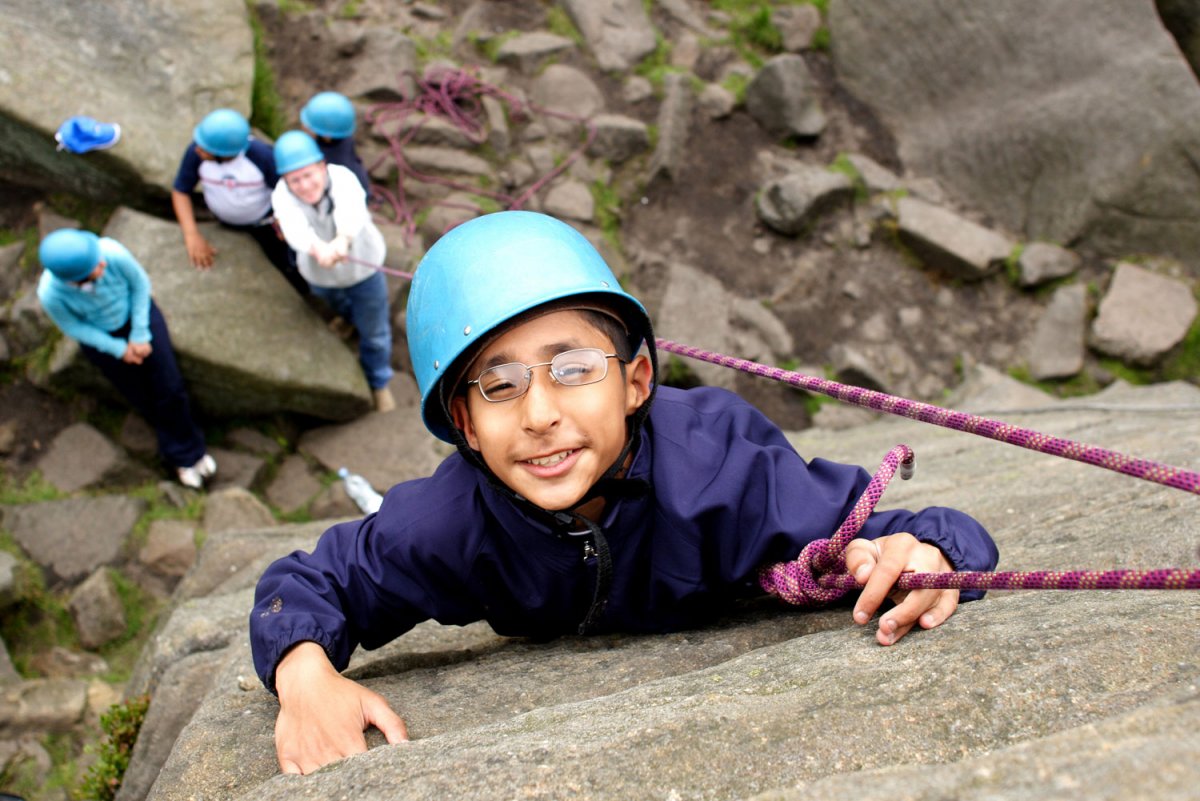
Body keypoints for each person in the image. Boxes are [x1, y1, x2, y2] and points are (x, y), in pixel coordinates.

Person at [249, 211, 999, 775]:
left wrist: (929, 551)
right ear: (466, 425)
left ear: (636, 380)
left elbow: (888, 531)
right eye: (499, 384)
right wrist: (304, 675)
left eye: (573, 366)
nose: (541, 413)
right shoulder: (452, 524)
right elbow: (311, 582)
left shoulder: (720, 469)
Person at [36, 229, 217, 489]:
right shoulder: (51, 294)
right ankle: (187, 455)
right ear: (74, 281)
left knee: (170, 388)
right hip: (103, 338)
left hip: (138, 318)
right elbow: (74, 328)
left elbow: (140, 285)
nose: (102, 265)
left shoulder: (110, 252)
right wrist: (119, 350)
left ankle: (189, 454)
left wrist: (140, 334)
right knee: (144, 398)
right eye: (95, 267)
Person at [270, 130, 395, 412]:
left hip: (364, 268)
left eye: (309, 175)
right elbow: (292, 225)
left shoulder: (343, 177)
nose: (304, 185)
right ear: (285, 180)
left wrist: (343, 239)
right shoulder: (281, 195)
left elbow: (352, 209)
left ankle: (379, 382)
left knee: (374, 331)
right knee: (335, 302)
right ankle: (348, 318)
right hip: (320, 274)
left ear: (322, 167)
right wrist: (316, 247)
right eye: (295, 180)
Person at [170, 108, 308, 296]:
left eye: (205, 149)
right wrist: (191, 234)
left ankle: (303, 292)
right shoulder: (196, 153)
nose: (197, 149)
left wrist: (286, 219)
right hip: (224, 221)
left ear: (224, 154)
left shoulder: (262, 157)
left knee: (287, 263)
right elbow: (181, 190)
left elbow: (289, 191)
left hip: (265, 223)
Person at [299, 91, 371, 193]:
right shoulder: (343, 135)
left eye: (310, 126)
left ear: (326, 136)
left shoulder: (329, 164)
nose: (304, 125)